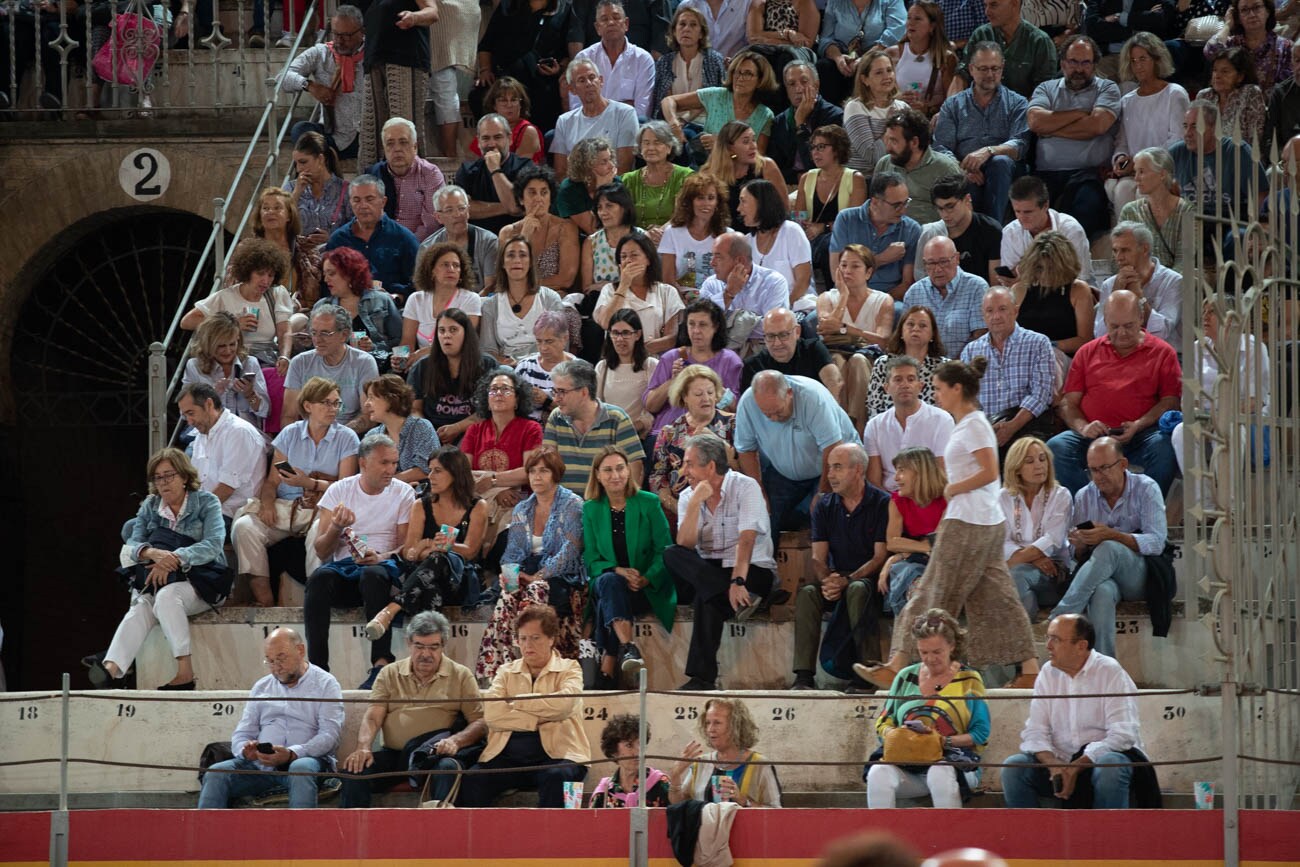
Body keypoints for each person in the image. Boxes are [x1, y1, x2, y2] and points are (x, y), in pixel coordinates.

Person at [858, 357, 1040, 690]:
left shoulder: (974, 424)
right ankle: (1029, 668)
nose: (936, 394)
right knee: (999, 595)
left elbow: (989, 472)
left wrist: (951, 488)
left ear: (957, 389)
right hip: (983, 520)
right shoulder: (970, 423)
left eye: (940, 388)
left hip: (968, 521)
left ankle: (897, 661)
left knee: (931, 590)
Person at [82, 448, 227, 690]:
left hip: (203, 582)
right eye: (158, 478)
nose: (163, 483)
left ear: (184, 476)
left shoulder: (206, 502)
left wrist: (174, 558)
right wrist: (151, 553)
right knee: (141, 605)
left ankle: (185, 672)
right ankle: (112, 668)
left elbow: (213, 545)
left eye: (169, 475)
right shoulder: (150, 505)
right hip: (162, 580)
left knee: (166, 597)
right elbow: (132, 545)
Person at [1001, 613, 1156, 808]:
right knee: (1014, 767)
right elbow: (1035, 731)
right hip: (1059, 763)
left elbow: (1123, 734)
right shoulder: (1047, 673)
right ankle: (1031, 836)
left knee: (1111, 765)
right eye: (1047, 638)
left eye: (1055, 639)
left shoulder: (1109, 671)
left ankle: (1108, 835)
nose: (1048, 646)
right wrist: (1053, 765)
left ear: (1081, 646)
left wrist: (1077, 766)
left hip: (1099, 762)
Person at [231, 377, 360, 608]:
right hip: (288, 506)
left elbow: (346, 487)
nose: (333, 409)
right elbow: (271, 482)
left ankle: (317, 599)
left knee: (318, 537)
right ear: (308, 406)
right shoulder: (290, 434)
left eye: (336, 403)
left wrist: (308, 482)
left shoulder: (346, 437)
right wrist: (268, 503)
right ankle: (264, 598)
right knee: (244, 527)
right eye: (326, 403)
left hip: (324, 507)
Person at [339, 611, 487, 807]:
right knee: (354, 771)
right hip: (397, 756)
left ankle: (442, 834)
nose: (425, 654)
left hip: (434, 755)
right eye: (419, 646)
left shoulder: (461, 675)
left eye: (433, 647)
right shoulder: (389, 673)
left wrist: (455, 741)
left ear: (443, 645)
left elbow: (479, 722)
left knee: (447, 768)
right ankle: (356, 835)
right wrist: (363, 747)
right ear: (409, 643)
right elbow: (373, 717)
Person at [665, 434, 778, 689]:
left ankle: (701, 679)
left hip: (751, 569)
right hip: (710, 569)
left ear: (711, 467)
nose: (685, 471)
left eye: (690, 464)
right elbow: (684, 544)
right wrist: (695, 503)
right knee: (671, 553)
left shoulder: (746, 487)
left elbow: (747, 539)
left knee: (706, 597)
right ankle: (732, 597)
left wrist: (738, 580)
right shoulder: (687, 496)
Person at [304, 433, 417, 686]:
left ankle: (380, 663)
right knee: (319, 578)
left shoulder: (404, 493)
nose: (391, 470)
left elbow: (406, 546)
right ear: (363, 463)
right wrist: (335, 527)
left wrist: (381, 556)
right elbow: (321, 551)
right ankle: (317, 669)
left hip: (383, 568)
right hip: (345, 569)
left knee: (373, 574)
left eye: (394, 463)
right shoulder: (339, 490)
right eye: (384, 463)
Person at [1047, 290, 1181, 495]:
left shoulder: (1163, 352)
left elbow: (1170, 401)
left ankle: (1145, 509)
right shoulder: (1087, 352)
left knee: (1164, 447)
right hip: (1093, 435)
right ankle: (1090, 509)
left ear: (1141, 318)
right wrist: (1083, 428)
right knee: (1056, 447)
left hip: (1141, 435)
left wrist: (1138, 424)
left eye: (1128, 326)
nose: (1122, 333)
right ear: (1105, 322)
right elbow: (1068, 404)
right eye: (1114, 327)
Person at [196, 628, 344, 809]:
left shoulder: (326, 684)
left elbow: (330, 735)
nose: (276, 667)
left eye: (281, 659)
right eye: (270, 661)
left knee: (300, 769)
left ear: (300, 650)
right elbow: (242, 733)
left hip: (304, 762)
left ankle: (301, 835)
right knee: (216, 773)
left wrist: (292, 754)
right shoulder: (261, 687)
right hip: (261, 766)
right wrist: (245, 751)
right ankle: (206, 836)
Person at [460, 604, 591, 807]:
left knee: (558, 776)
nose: (527, 645)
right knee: (473, 778)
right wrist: (539, 718)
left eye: (535, 638)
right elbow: (493, 715)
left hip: (560, 756)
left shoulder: (570, 669)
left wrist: (517, 701)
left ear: (551, 639)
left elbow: (564, 706)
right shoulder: (506, 671)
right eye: (522, 638)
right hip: (508, 758)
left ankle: (552, 839)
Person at [475, 453, 587, 681]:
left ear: (555, 475)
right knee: (507, 595)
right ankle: (499, 673)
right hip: (527, 571)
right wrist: (512, 577)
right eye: (533, 471)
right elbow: (512, 553)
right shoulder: (522, 509)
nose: (537, 476)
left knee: (535, 592)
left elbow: (569, 551)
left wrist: (538, 576)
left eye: (544, 471)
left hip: (562, 575)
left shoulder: (572, 504)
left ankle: (531, 666)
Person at [1051, 437, 1168, 656]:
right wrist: (1078, 546)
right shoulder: (1084, 496)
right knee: (1102, 593)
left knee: (1109, 547)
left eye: (1104, 468)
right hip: (1102, 575)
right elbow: (1076, 558)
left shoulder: (1146, 488)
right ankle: (1104, 666)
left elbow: (1157, 542)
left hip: (1140, 575)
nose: (1099, 476)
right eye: (1093, 470)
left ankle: (1062, 615)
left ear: (1123, 464)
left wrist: (1112, 535)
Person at [865, 609, 990, 808]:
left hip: (955, 762)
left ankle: (948, 836)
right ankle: (882, 836)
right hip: (909, 762)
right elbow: (883, 721)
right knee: (878, 773)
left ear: (952, 646)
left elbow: (981, 734)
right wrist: (897, 734)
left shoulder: (969, 679)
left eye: (937, 652)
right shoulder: (905, 676)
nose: (930, 659)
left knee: (940, 771)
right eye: (924, 652)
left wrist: (940, 741)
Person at [792, 443, 889, 690]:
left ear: (858, 470)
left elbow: (879, 557)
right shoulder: (825, 505)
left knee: (857, 589)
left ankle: (868, 673)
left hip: (873, 582)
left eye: (837, 467)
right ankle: (803, 676)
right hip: (838, 578)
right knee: (808, 594)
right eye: (829, 468)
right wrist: (828, 581)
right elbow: (818, 558)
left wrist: (847, 580)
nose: (830, 475)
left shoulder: (881, 502)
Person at [365, 445, 488, 639]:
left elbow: (471, 551)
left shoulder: (477, 506)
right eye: (430, 470)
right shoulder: (421, 505)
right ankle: (432, 651)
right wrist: (429, 550)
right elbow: (409, 552)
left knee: (439, 557)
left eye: (438, 471)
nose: (430, 476)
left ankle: (391, 610)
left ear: (456, 472)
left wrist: (444, 548)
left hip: (459, 579)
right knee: (430, 587)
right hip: (425, 578)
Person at [583, 446, 675, 684]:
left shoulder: (649, 503)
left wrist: (646, 577)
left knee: (606, 596)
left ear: (628, 471)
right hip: (611, 582)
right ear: (598, 475)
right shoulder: (591, 509)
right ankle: (627, 646)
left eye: (620, 468)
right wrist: (617, 569)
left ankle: (608, 668)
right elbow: (591, 558)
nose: (615, 475)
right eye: (608, 470)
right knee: (608, 581)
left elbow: (665, 550)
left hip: (645, 587)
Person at [736, 370, 862, 532]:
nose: (774, 419)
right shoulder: (748, 403)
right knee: (763, 514)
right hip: (783, 471)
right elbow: (746, 450)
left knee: (828, 513)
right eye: (767, 415)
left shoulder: (812, 398)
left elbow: (833, 449)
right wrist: (758, 492)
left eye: (778, 412)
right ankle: (765, 557)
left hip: (833, 465)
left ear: (789, 393)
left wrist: (823, 492)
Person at [1026, 36, 1121, 244]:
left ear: (1095, 65)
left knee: (1085, 210)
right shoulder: (1046, 88)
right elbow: (1035, 122)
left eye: (1086, 62)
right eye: (1073, 62)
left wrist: (1051, 129)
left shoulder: (1107, 88)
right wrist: (1080, 113)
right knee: (1031, 212)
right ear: (1062, 63)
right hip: (1046, 174)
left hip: (1088, 173)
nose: (1079, 69)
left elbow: (1097, 126)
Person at [932, 42, 1030, 220]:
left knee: (1000, 162)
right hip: (964, 170)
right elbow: (941, 147)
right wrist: (963, 169)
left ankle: (994, 229)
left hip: (1006, 172)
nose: (990, 75)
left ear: (1003, 68)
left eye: (995, 68)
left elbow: (1020, 144)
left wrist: (989, 151)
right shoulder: (953, 105)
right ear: (971, 69)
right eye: (983, 69)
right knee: (967, 185)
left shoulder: (1017, 103)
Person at [460, 368, 545, 554]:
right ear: (487, 401)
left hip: (518, 503)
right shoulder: (474, 430)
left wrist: (492, 481)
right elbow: (462, 473)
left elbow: (529, 472)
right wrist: (498, 489)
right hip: (479, 500)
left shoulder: (531, 428)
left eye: (506, 389)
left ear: (517, 399)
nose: (498, 393)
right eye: (493, 389)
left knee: (504, 545)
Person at [960, 286, 1056, 447]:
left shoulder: (1038, 343)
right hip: (984, 431)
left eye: (1002, 309)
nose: (996, 316)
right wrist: (986, 429)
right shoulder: (970, 351)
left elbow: (1041, 394)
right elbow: (966, 399)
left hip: (1027, 428)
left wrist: (1012, 426)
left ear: (1016, 311)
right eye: (989, 311)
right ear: (983, 316)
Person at [179, 238, 295, 371]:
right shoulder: (225, 296)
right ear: (247, 271)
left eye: (271, 275)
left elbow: (284, 331)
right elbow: (186, 322)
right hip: (229, 357)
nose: (266, 280)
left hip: (265, 359)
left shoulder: (277, 294)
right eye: (260, 274)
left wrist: (284, 357)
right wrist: (231, 324)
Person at [1106, 34, 1189, 216]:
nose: (1138, 65)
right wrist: (1120, 159)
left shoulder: (1174, 94)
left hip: (1164, 171)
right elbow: (1122, 142)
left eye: (1143, 59)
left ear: (1156, 59)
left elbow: (1177, 140)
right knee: (1122, 190)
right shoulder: (1127, 101)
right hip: (1136, 172)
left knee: (1141, 194)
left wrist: (1139, 161)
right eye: (1134, 61)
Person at [354, 0, 438, 169]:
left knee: (405, 129)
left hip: (406, 59)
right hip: (375, 62)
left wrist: (413, 17)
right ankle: (371, 187)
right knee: (371, 136)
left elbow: (432, 12)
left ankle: (414, 187)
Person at [644, 297, 744, 435]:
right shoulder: (671, 357)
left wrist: (710, 388)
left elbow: (735, 409)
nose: (696, 330)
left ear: (715, 327)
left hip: (713, 432)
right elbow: (650, 406)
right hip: (669, 432)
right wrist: (673, 381)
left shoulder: (730, 360)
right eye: (691, 324)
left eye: (702, 325)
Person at [648, 364, 737, 520]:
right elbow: (657, 478)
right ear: (684, 397)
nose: (706, 398)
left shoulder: (733, 424)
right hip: (680, 510)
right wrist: (676, 506)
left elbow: (745, 469)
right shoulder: (669, 432)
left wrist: (718, 444)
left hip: (727, 507)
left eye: (710, 392)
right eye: (698, 394)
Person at [473, 0, 574, 136]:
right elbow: (486, 45)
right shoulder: (508, 6)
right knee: (479, 95)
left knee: (547, 99)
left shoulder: (564, 10)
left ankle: (536, 146)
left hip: (542, 78)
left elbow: (568, 54)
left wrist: (560, 68)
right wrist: (485, 70)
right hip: (506, 77)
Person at [544, 358, 647, 491]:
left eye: (562, 392)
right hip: (566, 505)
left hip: (605, 505)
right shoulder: (556, 417)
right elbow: (547, 465)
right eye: (555, 391)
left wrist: (620, 506)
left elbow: (635, 467)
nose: (556, 398)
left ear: (584, 392)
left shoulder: (616, 418)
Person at [814, 250, 889, 428]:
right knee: (837, 361)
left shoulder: (883, 300)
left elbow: (884, 341)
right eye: (844, 265)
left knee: (858, 361)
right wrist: (844, 296)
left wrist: (846, 329)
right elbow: (825, 330)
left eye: (855, 266)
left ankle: (859, 426)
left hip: (867, 356)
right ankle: (839, 426)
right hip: (835, 352)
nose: (847, 271)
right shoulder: (826, 297)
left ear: (868, 272)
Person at [999, 436, 1071, 619]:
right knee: (1017, 580)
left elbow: (1053, 540)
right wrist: (1031, 560)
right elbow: (1002, 542)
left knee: (1015, 576)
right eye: (1029, 461)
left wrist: (1016, 560)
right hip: (1017, 570)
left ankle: (1021, 639)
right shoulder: (1002, 498)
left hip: (1053, 572)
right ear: (1016, 469)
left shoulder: (1061, 496)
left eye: (1042, 458)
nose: (1039, 465)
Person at [177, 383, 268, 527]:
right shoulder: (202, 434)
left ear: (208, 404)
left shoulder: (238, 432)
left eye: (191, 413)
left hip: (230, 514)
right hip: (206, 509)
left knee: (170, 533)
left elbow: (226, 489)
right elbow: (195, 482)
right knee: (133, 526)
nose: (189, 421)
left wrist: (192, 514)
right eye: (185, 416)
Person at [281, 7, 365, 159]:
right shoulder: (321, 53)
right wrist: (310, 86)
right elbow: (283, 77)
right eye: (336, 34)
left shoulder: (372, 54)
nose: (340, 40)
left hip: (365, 136)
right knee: (300, 130)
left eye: (346, 35)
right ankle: (325, 160)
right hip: (330, 137)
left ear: (361, 32)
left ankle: (325, 160)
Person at [864, 355, 955, 492]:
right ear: (886, 388)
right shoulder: (874, 426)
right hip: (888, 500)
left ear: (920, 386)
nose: (905, 385)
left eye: (911, 379)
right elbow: (874, 481)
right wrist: (895, 505)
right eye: (898, 379)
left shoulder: (942, 420)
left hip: (929, 497)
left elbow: (942, 474)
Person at [667, 697, 782, 804]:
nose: (710, 729)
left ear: (736, 726)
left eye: (717, 723)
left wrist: (743, 801)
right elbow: (679, 804)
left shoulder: (760, 765)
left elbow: (776, 812)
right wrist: (675, 776)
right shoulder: (700, 763)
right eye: (707, 723)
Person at [407, 308, 497, 444]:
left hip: (474, 430)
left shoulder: (487, 364)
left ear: (466, 333)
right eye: (442, 331)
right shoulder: (422, 366)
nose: (446, 336)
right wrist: (427, 431)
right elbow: (414, 409)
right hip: (432, 432)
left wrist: (457, 428)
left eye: (453, 330)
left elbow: (492, 409)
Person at [323, 175, 421, 299]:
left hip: (393, 310)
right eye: (357, 200)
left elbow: (418, 285)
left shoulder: (404, 238)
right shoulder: (338, 240)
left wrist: (396, 298)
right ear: (350, 203)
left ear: (383, 202)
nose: (363, 205)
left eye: (369, 199)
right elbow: (327, 284)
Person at [283, 306, 381, 429]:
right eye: (314, 333)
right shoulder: (300, 362)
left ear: (344, 335)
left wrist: (338, 437)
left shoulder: (363, 362)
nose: (317, 340)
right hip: (309, 436)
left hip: (350, 436)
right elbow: (289, 416)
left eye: (325, 333)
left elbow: (368, 415)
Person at [662, 51, 779, 154]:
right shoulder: (717, 95)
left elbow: (758, 158)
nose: (740, 78)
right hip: (705, 167)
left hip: (739, 174)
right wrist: (674, 123)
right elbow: (669, 101)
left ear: (760, 81)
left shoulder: (765, 115)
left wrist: (724, 146)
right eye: (736, 72)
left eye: (748, 74)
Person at [829, 172, 922, 301]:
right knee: (814, 318)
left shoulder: (911, 229)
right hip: (847, 294)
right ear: (875, 202)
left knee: (898, 312)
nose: (903, 210)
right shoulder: (846, 219)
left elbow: (907, 283)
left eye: (906, 203)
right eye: (896, 205)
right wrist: (882, 259)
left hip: (889, 298)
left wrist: (876, 303)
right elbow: (836, 273)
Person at [877, 446, 948, 615]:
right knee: (905, 570)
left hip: (944, 561)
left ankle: (911, 625)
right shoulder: (897, 501)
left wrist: (901, 553)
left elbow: (942, 545)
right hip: (920, 559)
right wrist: (925, 547)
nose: (895, 478)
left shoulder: (948, 497)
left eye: (901, 471)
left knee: (905, 570)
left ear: (920, 472)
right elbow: (892, 542)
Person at [796, 125, 868, 289]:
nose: (815, 152)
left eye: (821, 147)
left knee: (829, 244)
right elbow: (798, 216)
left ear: (837, 149)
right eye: (813, 147)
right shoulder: (807, 178)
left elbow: (853, 222)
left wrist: (823, 227)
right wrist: (803, 226)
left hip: (841, 238)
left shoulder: (855, 178)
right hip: (810, 236)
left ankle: (835, 292)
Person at [593, 230, 685, 358]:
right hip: (618, 359)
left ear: (648, 259)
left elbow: (671, 339)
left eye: (634, 255)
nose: (628, 261)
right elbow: (605, 322)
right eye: (623, 257)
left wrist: (636, 351)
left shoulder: (667, 291)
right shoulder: (609, 290)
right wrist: (624, 285)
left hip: (654, 360)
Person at [481, 238, 573, 366]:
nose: (517, 260)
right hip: (506, 368)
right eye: (511, 255)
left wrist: (530, 363)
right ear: (502, 263)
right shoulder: (490, 305)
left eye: (523, 255)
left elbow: (561, 343)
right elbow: (488, 349)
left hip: (545, 364)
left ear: (530, 263)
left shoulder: (550, 299)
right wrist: (504, 363)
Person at [1092, 222, 1183, 350]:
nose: (1118, 257)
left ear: (1145, 249)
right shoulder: (1110, 284)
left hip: (1162, 356)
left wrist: (1139, 297)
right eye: (1115, 250)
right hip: (1121, 356)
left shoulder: (1174, 281)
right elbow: (1099, 334)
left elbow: (1161, 333)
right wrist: (1115, 294)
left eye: (1125, 250)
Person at [400, 242, 484, 373]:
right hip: (421, 367)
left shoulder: (470, 299)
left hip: (458, 364)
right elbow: (407, 341)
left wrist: (424, 353)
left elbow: (465, 341)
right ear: (432, 271)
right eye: (445, 265)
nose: (451, 269)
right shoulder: (416, 299)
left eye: (456, 266)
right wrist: (402, 359)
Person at [697, 231, 792, 346]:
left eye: (718, 257)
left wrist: (725, 325)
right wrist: (728, 293)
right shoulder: (711, 284)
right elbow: (701, 322)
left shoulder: (774, 282)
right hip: (720, 352)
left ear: (740, 261)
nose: (712, 263)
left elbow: (773, 327)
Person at [317, 246, 404, 371]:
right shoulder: (322, 307)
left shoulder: (381, 300)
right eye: (325, 274)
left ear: (350, 273)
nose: (326, 279)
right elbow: (315, 348)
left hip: (377, 369)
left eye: (331, 273)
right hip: (335, 370)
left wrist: (374, 347)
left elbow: (399, 342)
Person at [1010, 230, 1095, 358]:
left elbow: (1084, 340)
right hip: (1026, 357)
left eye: (1051, 269)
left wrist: (1046, 345)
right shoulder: (1019, 290)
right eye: (1039, 268)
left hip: (1064, 357)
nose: (1044, 275)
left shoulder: (1078, 290)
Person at [951, 0, 1058, 99]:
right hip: (981, 111)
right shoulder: (981, 35)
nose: (987, 12)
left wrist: (1022, 114)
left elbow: (1044, 89)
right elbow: (962, 74)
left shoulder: (1039, 41)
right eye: (985, 5)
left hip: (1024, 112)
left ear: (1014, 4)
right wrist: (950, 107)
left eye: (994, 5)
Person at [903, 236, 989, 358]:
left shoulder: (976, 287)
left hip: (964, 367)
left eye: (943, 262)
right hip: (923, 367)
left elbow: (980, 337)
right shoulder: (914, 293)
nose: (938, 269)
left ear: (957, 258)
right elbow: (906, 338)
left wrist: (953, 369)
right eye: (931, 263)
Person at [498, 165, 581, 292]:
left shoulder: (566, 227)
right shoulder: (507, 233)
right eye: (532, 193)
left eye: (544, 193)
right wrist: (524, 236)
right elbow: (504, 278)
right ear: (521, 199)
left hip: (555, 299)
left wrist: (524, 286)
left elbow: (566, 279)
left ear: (550, 197)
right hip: (517, 298)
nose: (538, 198)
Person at [569, 0, 657, 118]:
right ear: (597, 28)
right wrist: (626, 105)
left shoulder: (643, 59)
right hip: (590, 128)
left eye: (616, 18)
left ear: (626, 24)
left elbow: (642, 110)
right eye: (604, 19)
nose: (611, 22)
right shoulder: (584, 59)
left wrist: (597, 107)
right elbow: (577, 108)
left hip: (629, 128)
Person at [999, 174, 1093, 286]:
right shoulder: (1010, 232)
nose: (1022, 218)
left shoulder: (1071, 229)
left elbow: (1079, 277)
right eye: (1017, 211)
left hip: (1070, 293)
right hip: (1026, 294)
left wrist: (1026, 272)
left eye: (1028, 212)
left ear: (1045, 205)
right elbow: (1012, 278)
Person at [913, 175, 1006, 285]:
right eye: (940, 208)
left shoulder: (991, 230)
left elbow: (995, 284)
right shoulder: (930, 234)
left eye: (950, 206)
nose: (945, 214)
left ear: (967, 199)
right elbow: (921, 279)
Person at [737, 179, 814, 312]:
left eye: (743, 201)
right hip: (761, 314)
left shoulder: (791, 231)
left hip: (795, 307)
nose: (739, 208)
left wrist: (780, 310)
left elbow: (803, 281)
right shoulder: (746, 242)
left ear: (761, 203)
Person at [553, 59, 641, 176]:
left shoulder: (625, 113)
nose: (589, 83)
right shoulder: (564, 121)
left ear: (601, 81)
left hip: (612, 187)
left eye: (592, 77)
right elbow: (561, 171)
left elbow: (624, 167)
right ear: (572, 89)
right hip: (577, 188)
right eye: (582, 80)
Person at [875, 108, 963, 225]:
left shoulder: (945, 168)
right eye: (887, 140)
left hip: (928, 236)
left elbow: (959, 216)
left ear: (914, 142)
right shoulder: (884, 164)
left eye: (894, 141)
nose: (888, 148)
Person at [182, 313, 270, 429]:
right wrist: (213, 395)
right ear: (208, 344)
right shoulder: (194, 366)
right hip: (209, 433)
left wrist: (250, 394)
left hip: (244, 434)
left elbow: (265, 411)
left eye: (232, 344)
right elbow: (185, 413)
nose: (228, 351)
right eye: (221, 346)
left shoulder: (250, 363)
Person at [1116, 147, 1195, 274]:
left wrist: (1163, 285)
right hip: (1138, 282)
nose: (1136, 178)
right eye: (1135, 172)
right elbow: (1120, 257)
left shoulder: (1186, 210)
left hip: (1174, 284)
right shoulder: (1130, 211)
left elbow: (1185, 260)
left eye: (1141, 172)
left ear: (1162, 174)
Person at [367, 117, 446, 243]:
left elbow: (431, 225)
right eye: (390, 143)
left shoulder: (430, 174)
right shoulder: (373, 175)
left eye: (403, 142)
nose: (397, 149)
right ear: (384, 149)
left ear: (415, 147)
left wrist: (405, 246)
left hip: (420, 246)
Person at [817, 0, 908, 107]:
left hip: (877, 55)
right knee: (824, 67)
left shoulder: (891, 1)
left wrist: (864, 60)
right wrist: (838, 58)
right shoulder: (835, 2)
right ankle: (833, 117)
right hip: (844, 56)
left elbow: (897, 31)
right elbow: (826, 38)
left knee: (870, 69)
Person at [247, 186, 324, 312]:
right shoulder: (248, 250)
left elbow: (313, 294)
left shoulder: (306, 249)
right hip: (256, 313)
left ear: (289, 215)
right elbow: (235, 287)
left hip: (298, 315)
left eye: (277, 208)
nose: (270, 212)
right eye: (265, 208)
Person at [866, 304, 950, 418]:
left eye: (923, 325)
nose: (915, 329)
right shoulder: (883, 364)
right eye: (910, 324)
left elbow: (949, 409)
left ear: (932, 335)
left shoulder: (945, 368)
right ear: (901, 331)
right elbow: (874, 407)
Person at [769, 62, 846, 186]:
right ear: (786, 90)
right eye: (791, 84)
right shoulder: (780, 121)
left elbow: (820, 164)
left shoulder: (834, 117)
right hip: (788, 184)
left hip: (824, 184)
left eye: (804, 82)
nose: (798, 89)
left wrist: (800, 124)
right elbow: (774, 167)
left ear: (816, 85)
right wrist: (796, 177)